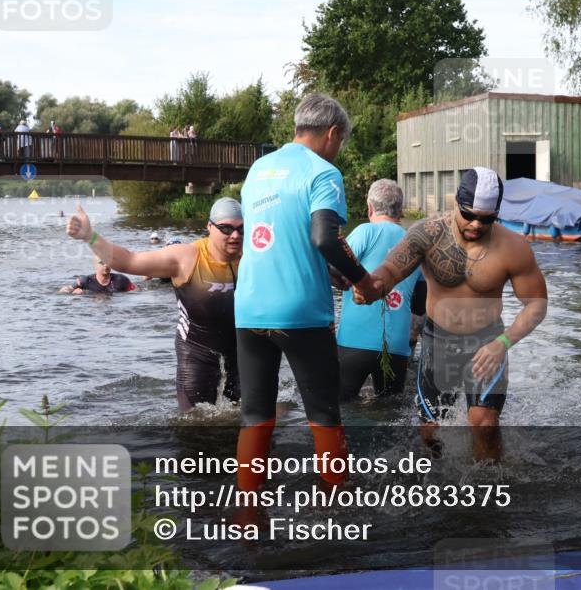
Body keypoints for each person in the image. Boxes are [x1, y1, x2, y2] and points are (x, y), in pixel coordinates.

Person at [233, 93, 379, 491]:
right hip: (300, 312)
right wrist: (362, 281)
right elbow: (324, 237)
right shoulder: (323, 172)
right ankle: (336, 505)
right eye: (341, 141)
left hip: (248, 307)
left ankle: (249, 513)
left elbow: (280, 241)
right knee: (324, 415)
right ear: (333, 133)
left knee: (255, 415)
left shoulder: (258, 169)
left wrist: (329, 270)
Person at [357, 167, 548, 458]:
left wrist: (503, 343)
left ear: (496, 213)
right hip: (437, 341)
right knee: (431, 433)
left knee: (484, 424)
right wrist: (373, 287)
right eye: (468, 214)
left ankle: (491, 493)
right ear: (456, 203)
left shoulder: (513, 247)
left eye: (486, 219)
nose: (475, 224)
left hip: (488, 343)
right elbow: (390, 271)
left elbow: (537, 303)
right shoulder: (427, 233)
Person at [66, 198, 244, 411]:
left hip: (243, 350)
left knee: (247, 416)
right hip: (197, 352)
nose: (235, 235)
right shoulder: (186, 257)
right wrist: (90, 236)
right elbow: (129, 260)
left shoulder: (253, 255)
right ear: (209, 227)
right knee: (198, 423)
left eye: (241, 229)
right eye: (225, 228)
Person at [336, 179, 426, 400]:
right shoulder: (415, 243)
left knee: (342, 408)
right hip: (395, 346)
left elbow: (337, 271)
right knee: (390, 415)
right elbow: (420, 304)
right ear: (401, 210)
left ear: (369, 208)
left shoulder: (364, 232)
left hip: (353, 342)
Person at [60, 255, 137, 294]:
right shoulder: (85, 281)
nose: (106, 265)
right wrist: (73, 293)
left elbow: (136, 289)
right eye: (102, 263)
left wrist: (133, 291)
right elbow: (64, 290)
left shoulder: (120, 280)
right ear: (95, 266)